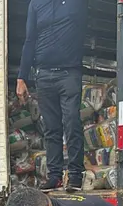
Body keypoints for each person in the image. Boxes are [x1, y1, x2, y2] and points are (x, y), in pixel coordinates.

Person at [16, 0, 88, 192]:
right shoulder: (36, 4)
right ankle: (55, 176)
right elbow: (29, 40)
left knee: (72, 122)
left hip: (69, 73)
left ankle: (74, 176)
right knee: (51, 128)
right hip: (44, 75)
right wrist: (21, 77)